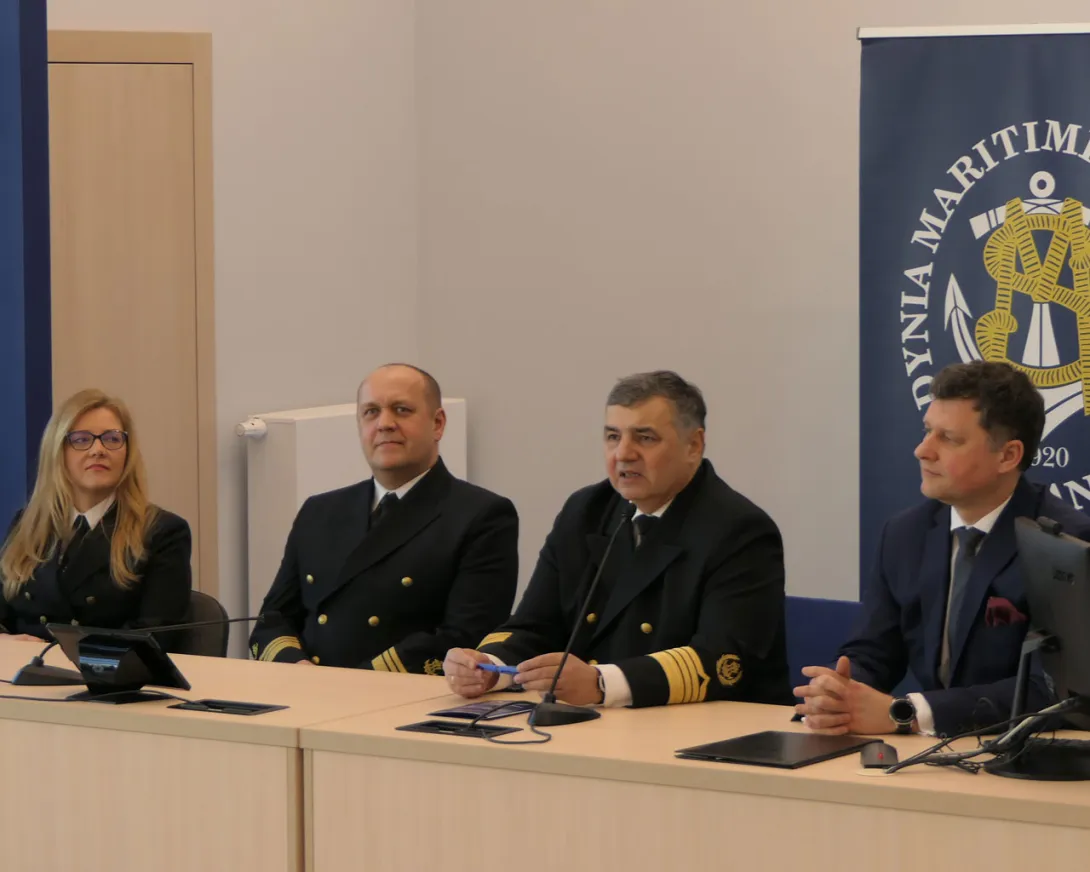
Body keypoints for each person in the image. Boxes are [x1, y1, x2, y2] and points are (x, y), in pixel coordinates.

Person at [443, 370, 790, 708]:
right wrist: (488, 666)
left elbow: (721, 660)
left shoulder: (739, 529)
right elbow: (535, 625)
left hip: (712, 728)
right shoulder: (586, 510)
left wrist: (601, 684)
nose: (623, 453)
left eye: (645, 438)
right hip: (599, 723)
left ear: (693, 445)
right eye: (613, 436)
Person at [796, 361, 1090, 738]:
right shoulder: (905, 534)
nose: (922, 450)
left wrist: (909, 712)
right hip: (934, 754)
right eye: (927, 431)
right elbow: (872, 652)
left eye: (948, 438)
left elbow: (1055, 690)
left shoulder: (1070, 545)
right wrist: (839, 694)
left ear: (1008, 456)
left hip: (1032, 755)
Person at [250, 364, 519, 673]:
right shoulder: (319, 511)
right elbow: (273, 619)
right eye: (371, 412)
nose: (385, 424)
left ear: (438, 424)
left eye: (402, 410)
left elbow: (465, 636)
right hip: (306, 687)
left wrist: (353, 682)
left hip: (403, 693)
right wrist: (296, 669)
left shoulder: (481, 515)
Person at [0, 389, 192, 640]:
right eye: (81, 440)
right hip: (21, 664)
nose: (98, 450)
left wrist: (55, 653)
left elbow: (154, 636)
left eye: (112, 439)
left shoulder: (163, 532)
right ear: (57, 451)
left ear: (127, 452)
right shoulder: (27, 524)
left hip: (102, 665)